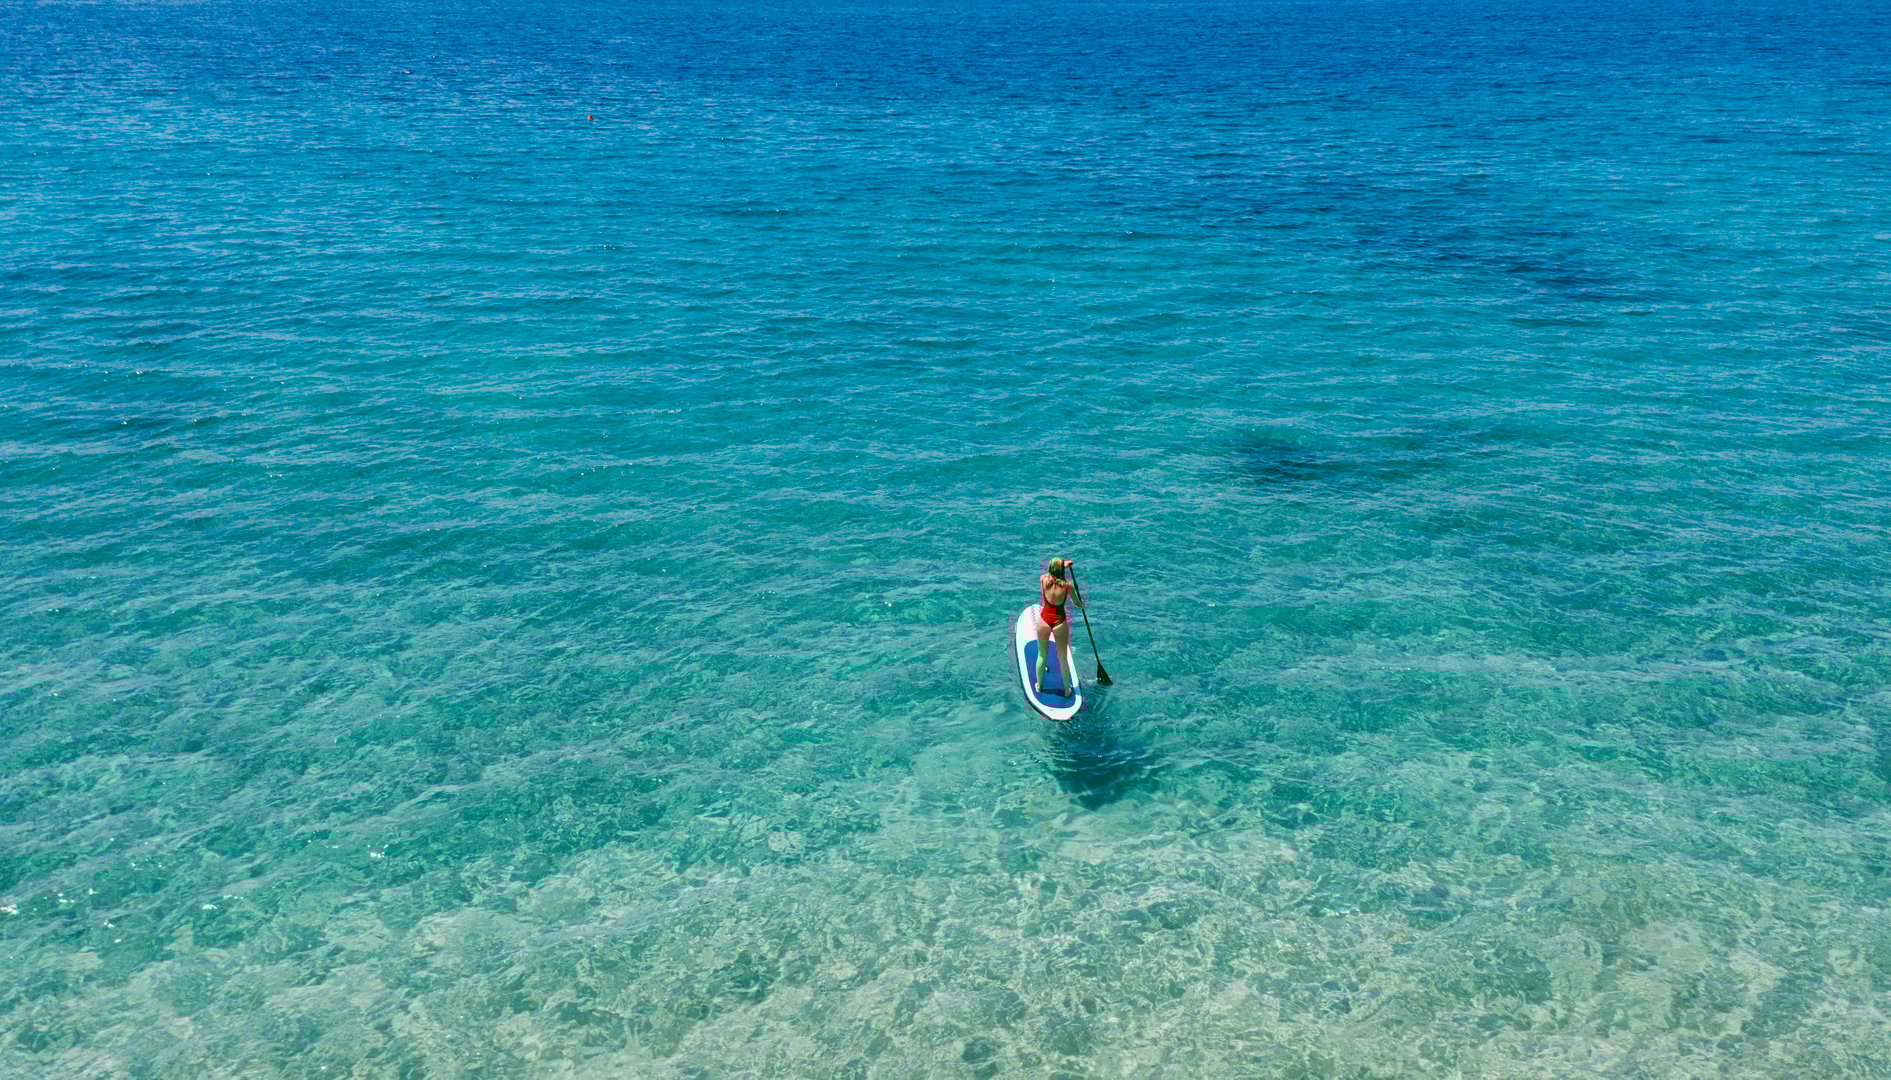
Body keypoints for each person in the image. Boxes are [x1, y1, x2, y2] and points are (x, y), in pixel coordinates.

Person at [1035, 557, 1084, 694]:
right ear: (1061, 569)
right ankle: (1067, 690)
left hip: (1043, 621)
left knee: (1042, 655)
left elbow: (1050, 572)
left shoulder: (1043, 580)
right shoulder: (1067, 586)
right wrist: (1083, 605)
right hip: (1059, 622)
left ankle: (1039, 685)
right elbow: (1077, 603)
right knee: (1062, 657)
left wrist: (1061, 565)